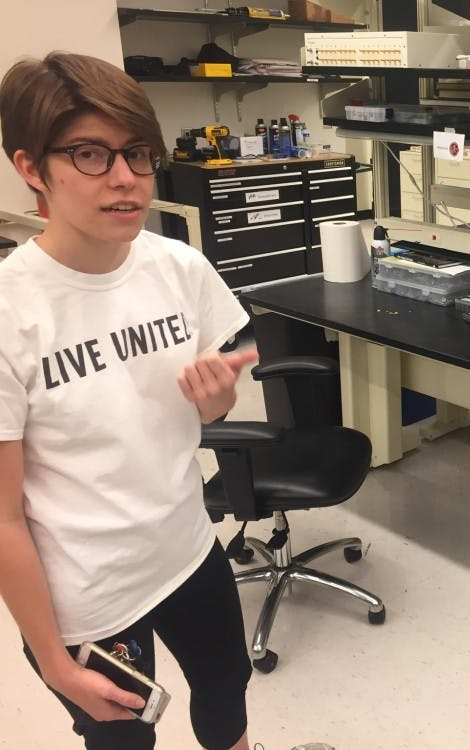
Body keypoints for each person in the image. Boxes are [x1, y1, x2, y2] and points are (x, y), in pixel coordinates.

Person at [0, 52, 331, 750]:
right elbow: (3, 520)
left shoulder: (177, 267)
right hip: (88, 595)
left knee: (225, 694)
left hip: (185, 549)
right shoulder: (12, 312)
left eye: (138, 154)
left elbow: (203, 414)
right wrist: (55, 663)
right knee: (123, 740)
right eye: (90, 154)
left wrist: (217, 398)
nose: (125, 179)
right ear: (32, 168)